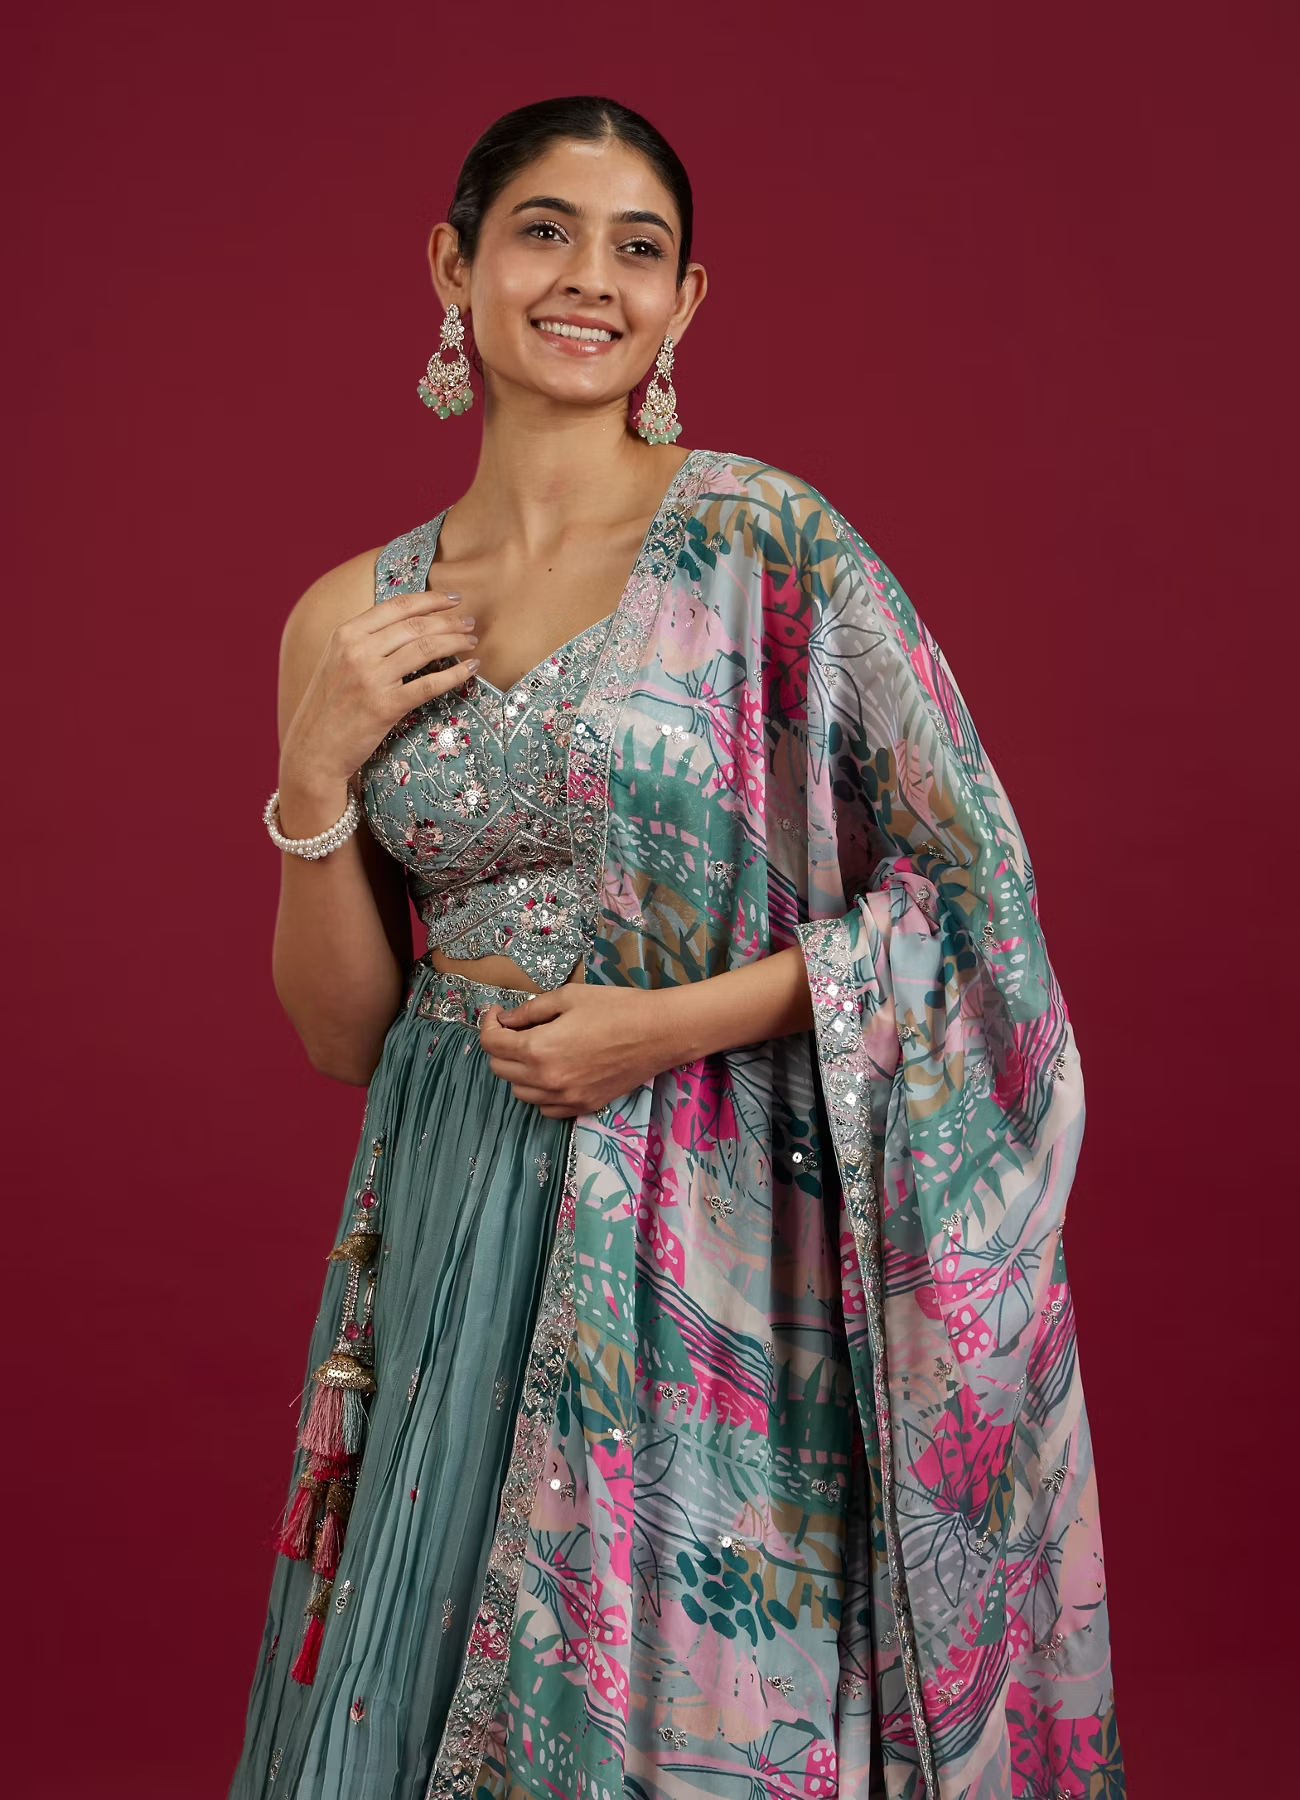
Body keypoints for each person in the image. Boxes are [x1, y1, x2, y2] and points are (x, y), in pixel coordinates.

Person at [229, 95, 1123, 1800]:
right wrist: (314, 774)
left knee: (689, 1686)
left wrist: (665, 1028)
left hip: (722, 1229)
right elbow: (346, 1035)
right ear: (453, 267)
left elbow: (973, 903)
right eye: (544, 232)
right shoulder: (349, 618)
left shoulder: (768, 546)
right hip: (455, 1202)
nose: (591, 279)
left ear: (685, 301)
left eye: (638, 249)